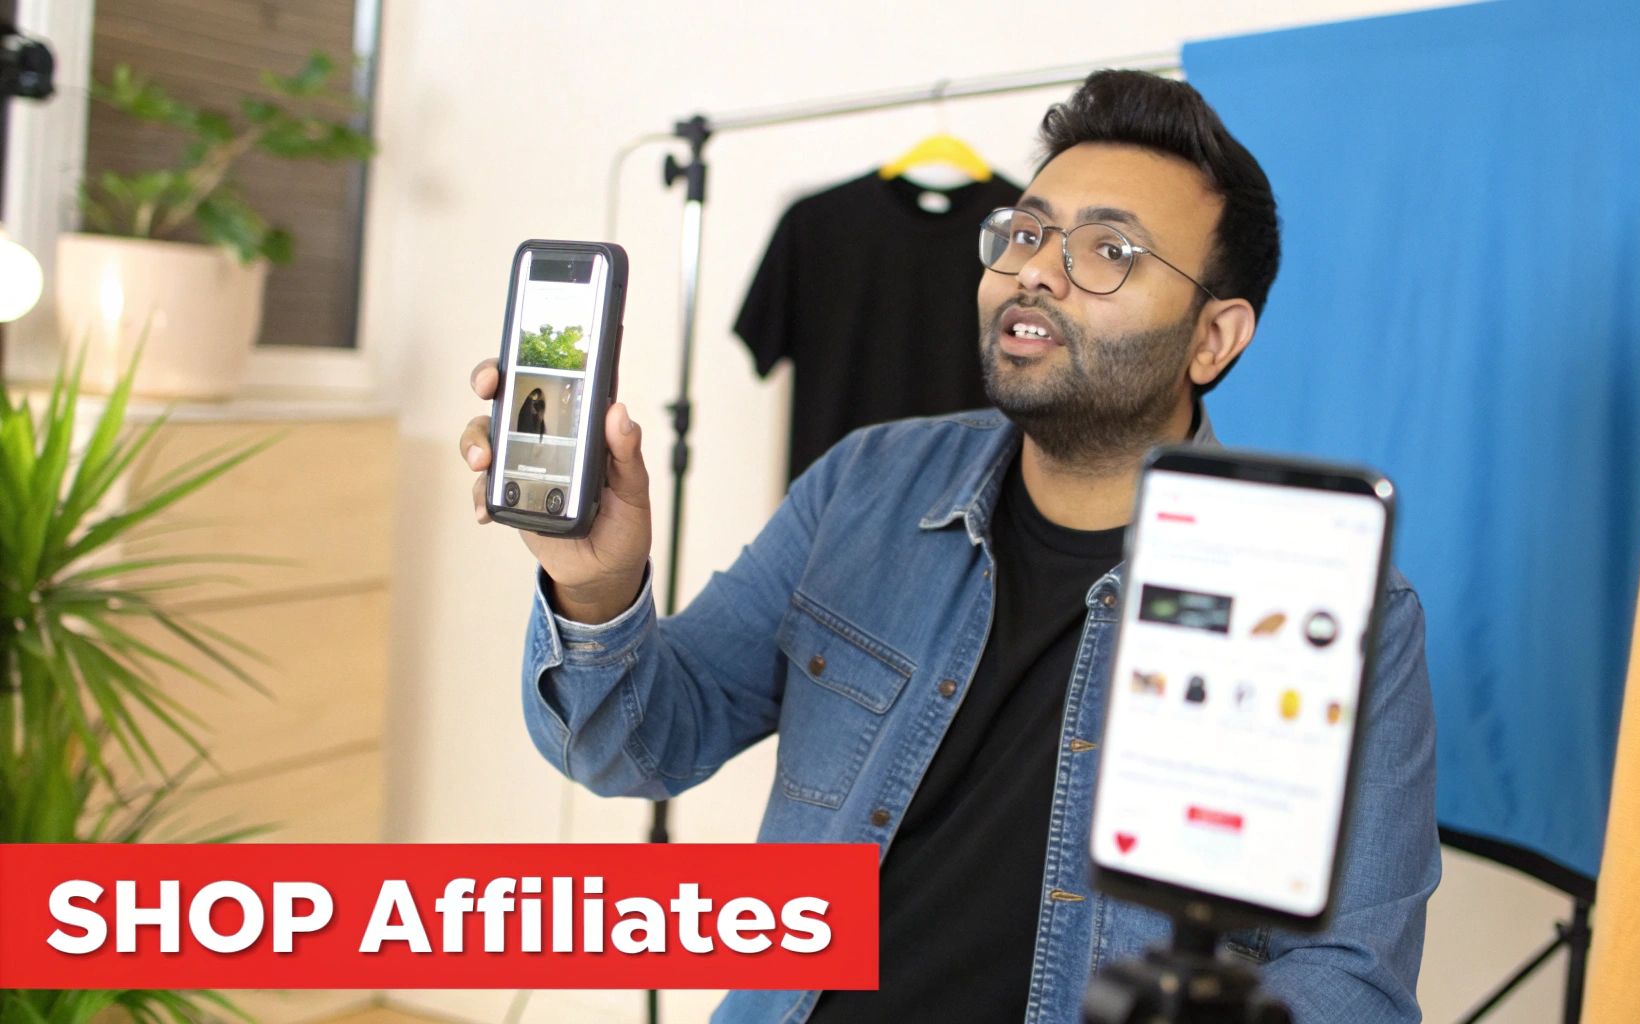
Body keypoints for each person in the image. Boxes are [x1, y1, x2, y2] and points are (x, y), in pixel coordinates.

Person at [458, 69, 1440, 1024]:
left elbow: (1349, 978)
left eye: (1107, 252)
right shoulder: (865, 482)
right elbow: (641, 741)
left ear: (1213, 338)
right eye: (1025, 232)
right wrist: (594, 582)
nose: (1034, 271)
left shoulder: (1325, 600)